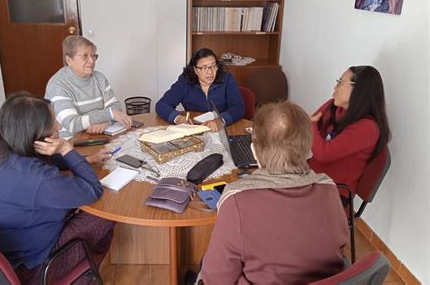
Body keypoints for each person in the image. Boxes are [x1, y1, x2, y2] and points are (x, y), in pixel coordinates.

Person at [0, 92, 115, 284]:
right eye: (53, 122)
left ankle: (84, 273)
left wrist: (84, 159)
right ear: (34, 132)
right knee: (106, 211)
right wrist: (65, 149)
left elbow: (40, 164)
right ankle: (83, 276)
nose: (59, 126)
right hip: (31, 271)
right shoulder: (38, 178)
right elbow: (93, 189)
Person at [200, 102, 349, 284]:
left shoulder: (236, 200)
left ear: (254, 151)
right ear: (308, 149)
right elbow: (338, 251)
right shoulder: (329, 188)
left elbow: (216, 279)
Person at [45, 36, 132, 163]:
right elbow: (72, 124)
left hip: (99, 137)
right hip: (69, 146)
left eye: (94, 56)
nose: (91, 61)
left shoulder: (99, 78)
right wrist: (109, 114)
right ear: (69, 60)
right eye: (85, 56)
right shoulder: (57, 85)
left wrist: (106, 123)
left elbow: (116, 107)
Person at [308, 66, 390, 195]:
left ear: (358, 90)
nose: (335, 87)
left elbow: (323, 154)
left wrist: (312, 125)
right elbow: (305, 131)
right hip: (312, 178)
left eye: (340, 82)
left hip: (333, 193)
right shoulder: (333, 106)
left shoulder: (367, 128)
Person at [155, 48, 245, 132]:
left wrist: (220, 120)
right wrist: (178, 118)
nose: (210, 72)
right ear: (195, 69)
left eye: (213, 66)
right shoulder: (185, 81)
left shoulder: (226, 78)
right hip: (195, 129)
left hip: (224, 130)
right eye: (204, 68)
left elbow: (238, 108)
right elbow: (162, 105)